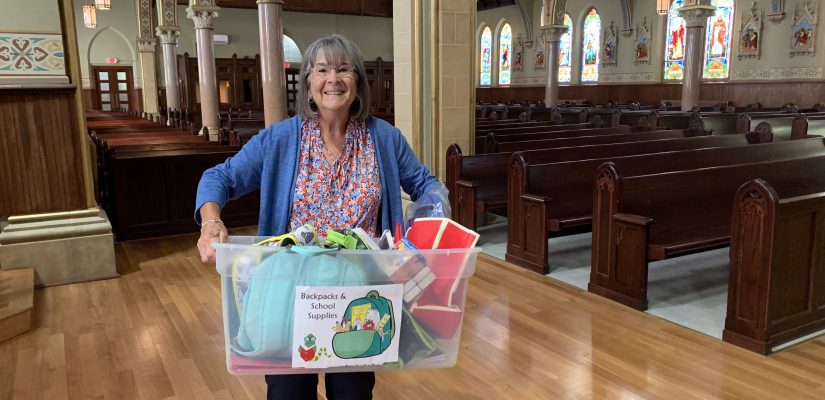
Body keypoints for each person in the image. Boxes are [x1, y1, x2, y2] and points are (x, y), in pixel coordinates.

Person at [194, 34, 444, 400]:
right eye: (322, 70)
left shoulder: (384, 139)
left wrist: (435, 219)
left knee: (353, 394)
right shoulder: (281, 139)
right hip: (288, 293)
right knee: (288, 392)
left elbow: (426, 185)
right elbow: (220, 177)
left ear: (357, 84)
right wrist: (211, 220)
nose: (333, 79)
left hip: (362, 297)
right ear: (308, 86)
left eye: (344, 69)